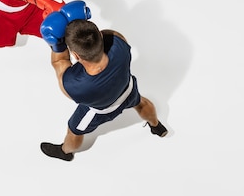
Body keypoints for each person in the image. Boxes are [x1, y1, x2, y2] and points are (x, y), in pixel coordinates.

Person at [40, 17, 168, 161]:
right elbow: (106, 34)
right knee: (141, 103)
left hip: (100, 111)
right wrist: (83, 29)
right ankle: (156, 126)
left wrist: (57, 44)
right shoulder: (119, 43)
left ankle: (65, 152)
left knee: (74, 131)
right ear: (100, 36)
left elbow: (59, 61)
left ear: (75, 55)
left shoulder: (74, 86)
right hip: (127, 91)